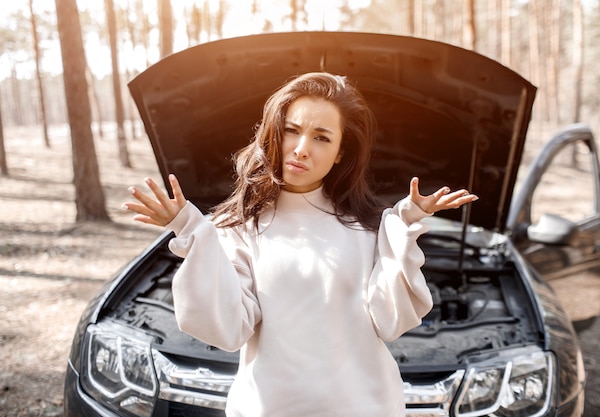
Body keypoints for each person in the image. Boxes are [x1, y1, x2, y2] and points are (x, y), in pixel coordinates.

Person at [123, 72, 478, 417]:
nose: (301, 149)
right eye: (291, 130)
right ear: (273, 133)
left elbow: (391, 321)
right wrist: (189, 228)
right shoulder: (237, 228)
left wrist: (406, 220)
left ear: (341, 152)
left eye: (322, 138)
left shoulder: (370, 228)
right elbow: (228, 330)